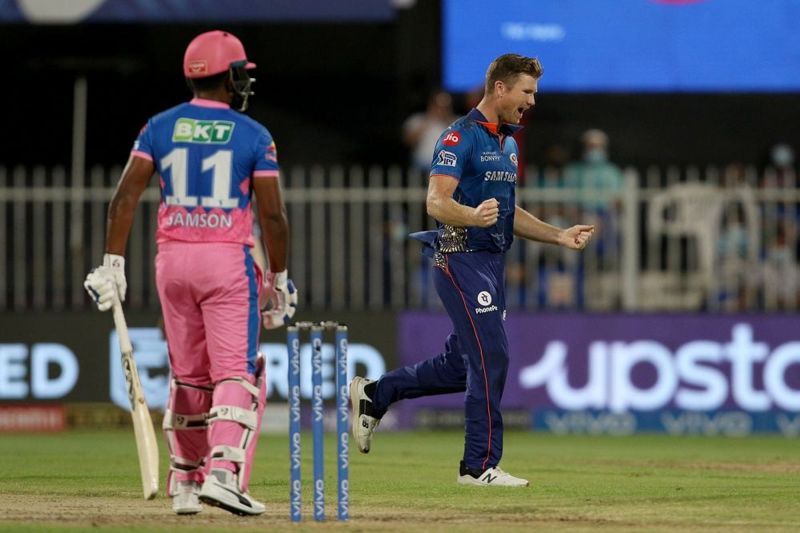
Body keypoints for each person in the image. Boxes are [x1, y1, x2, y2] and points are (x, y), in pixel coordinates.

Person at [350, 54, 594, 487]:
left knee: (461, 365)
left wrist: (558, 236)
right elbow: (436, 202)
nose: (532, 101)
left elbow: (507, 211)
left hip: (491, 263)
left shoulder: (508, 142)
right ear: (500, 88)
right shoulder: (457, 137)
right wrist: (470, 215)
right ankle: (478, 466)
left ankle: (376, 394)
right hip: (459, 256)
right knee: (492, 355)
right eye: (527, 92)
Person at [83, 30, 297, 516]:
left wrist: (112, 262)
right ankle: (223, 474)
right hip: (225, 261)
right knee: (236, 373)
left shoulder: (159, 126)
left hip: (172, 261)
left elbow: (125, 197)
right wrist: (279, 281)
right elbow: (273, 218)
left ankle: (184, 481)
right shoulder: (253, 134)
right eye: (241, 73)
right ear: (229, 76)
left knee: (189, 376)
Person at [403, 90, 457, 173]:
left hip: (448, 166)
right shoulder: (417, 119)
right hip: (421, 165)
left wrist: (448, 121)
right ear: (431, 105)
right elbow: (408, 141)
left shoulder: (458, 122)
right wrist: (428, 119)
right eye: (438, 105)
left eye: (445, 106)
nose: (441, 109)